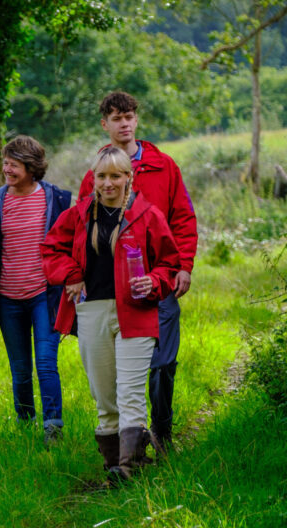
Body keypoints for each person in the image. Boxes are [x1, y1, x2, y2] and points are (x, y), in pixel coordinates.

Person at [42, 146, 180, 480]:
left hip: (136, 313)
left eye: (116, 175)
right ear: (93, 179)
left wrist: (155, 280)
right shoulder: (78, 216)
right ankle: (113, 463)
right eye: (102, 176)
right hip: (92, 312)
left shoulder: (147, 215)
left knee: (130, 391)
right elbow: (50, 250)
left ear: (128, 177)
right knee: (103, 396)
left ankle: (128, 468)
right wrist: (71, 274)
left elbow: (169, 262)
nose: (108, 183)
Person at [78, 91, 198, 454]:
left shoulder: (164, 165)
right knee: (119, 371)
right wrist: (77, 274)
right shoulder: (95, 173)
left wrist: (184, 267)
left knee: (162, 364)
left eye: (129, 116)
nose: (124, 123)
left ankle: (162, 433)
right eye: (116, 118)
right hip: (114, 292)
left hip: (159, 282)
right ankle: (128, 444)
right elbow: (80, 228)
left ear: (136, 120)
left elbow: (183, 218)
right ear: (106, 124)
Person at [0, 136, 71, 446]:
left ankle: (52, 427)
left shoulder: (55, 199)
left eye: (13, 165)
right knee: (20, 369)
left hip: (45, 294)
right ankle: (25, 421)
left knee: (45, 361)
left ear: (32, 168)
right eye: (5, 163)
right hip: (7, 298)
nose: (6, 169)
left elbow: (68, 246)